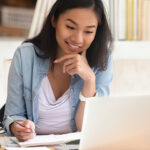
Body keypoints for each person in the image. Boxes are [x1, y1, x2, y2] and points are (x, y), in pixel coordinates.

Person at [3, 0, 113, 141]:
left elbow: (88, 129)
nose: (78, 39)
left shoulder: (103, 60)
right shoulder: (25, 55)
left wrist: (89, 80)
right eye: (70, 27)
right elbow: (13, 115)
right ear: (54, 20)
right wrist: (18, 127)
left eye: (88, 31)